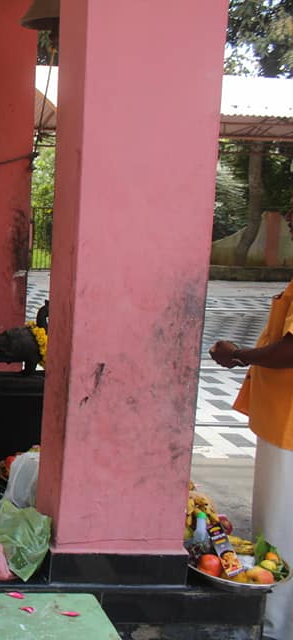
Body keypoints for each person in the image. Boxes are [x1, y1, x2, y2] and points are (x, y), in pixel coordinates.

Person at [209, 208, 293, 640]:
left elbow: (291, 350)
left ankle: (276, 625)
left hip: (289, 427)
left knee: (280, 525)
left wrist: (241, 354)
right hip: (280, 419)